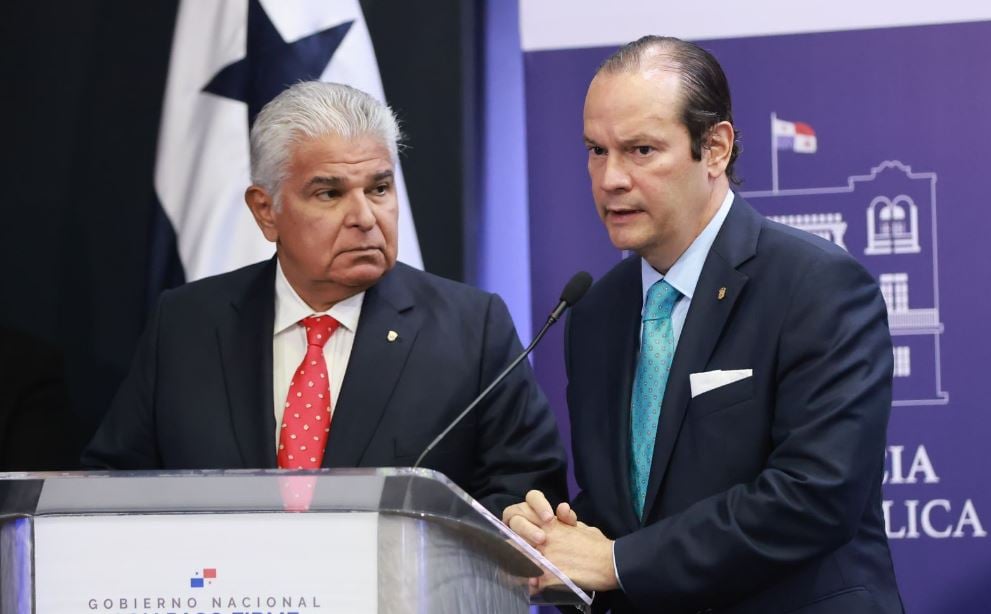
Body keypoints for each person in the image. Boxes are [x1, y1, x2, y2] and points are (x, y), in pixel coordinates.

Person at [503, 36, 903, 613]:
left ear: (715, 148)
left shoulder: (817, 286)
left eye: (641, 150)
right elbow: (631, 508)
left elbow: (814, 497)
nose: (610, 178)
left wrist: (614, 562)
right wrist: (551, 537)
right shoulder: (595, 312)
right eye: (596, 150)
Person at [82, 81, 567, 515]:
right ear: (265, 211)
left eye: (379, 188)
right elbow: (113, 490)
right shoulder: (186, 325)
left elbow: (526, 491)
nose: (364, 216)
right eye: (329, 194)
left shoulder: (471, 329)